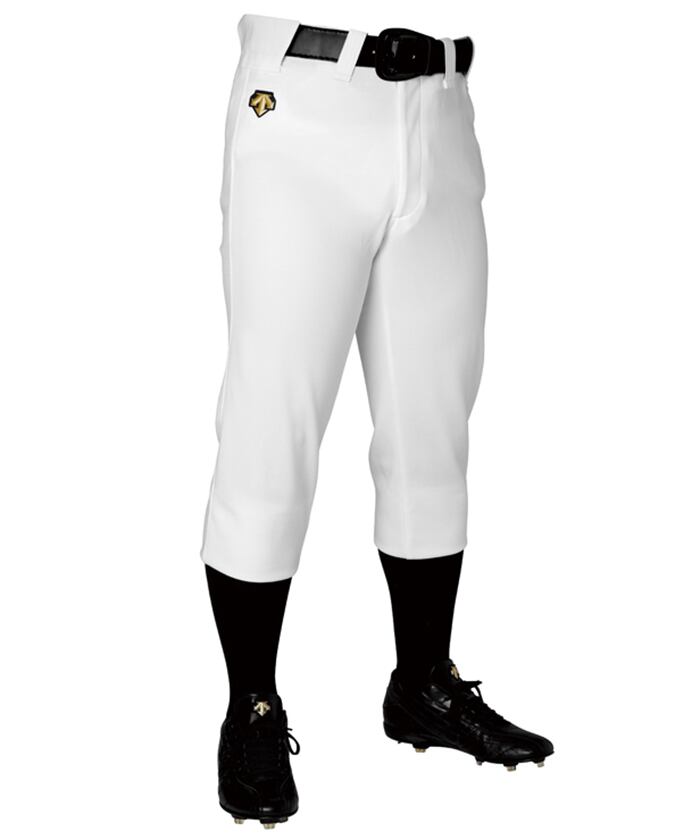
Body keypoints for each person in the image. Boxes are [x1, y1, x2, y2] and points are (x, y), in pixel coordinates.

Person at [200, 13, 554, 829]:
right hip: (302, 107)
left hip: (444, 108)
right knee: (273, 424)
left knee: (433, 424)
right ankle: (252, 707)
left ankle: (423, 684)